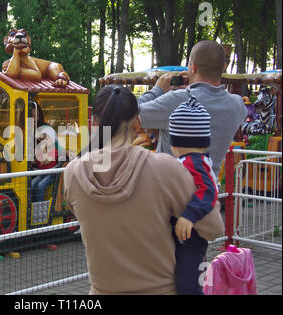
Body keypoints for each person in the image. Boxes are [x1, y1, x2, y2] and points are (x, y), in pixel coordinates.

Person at [64, 85, 224, 295]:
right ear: (138, 123)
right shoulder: (166, 169)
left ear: (94, 124)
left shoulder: (73, 173)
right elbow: (213, 228)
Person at [137, 40, 247, 176]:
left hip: (170, 192)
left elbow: (129, 113)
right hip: (208, 190)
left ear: (193, 67)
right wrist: (192, 89)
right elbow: (208, 100)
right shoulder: (237, 104)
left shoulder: (177, 101)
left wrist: (158, 90)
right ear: (223, 67)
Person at [169, 94, 219, 295]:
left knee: (187, 284)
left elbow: (207, 190)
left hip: (192, 236)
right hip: (188, 236)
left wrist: (189, 215)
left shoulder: (193, 162)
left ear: (176, 143)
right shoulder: (196, 161)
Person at [30, 101, 58, 202]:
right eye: (32, 116)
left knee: (40, 186)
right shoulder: (30, 129)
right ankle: (31, 208)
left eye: (36, 116)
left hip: (52, 171)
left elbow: (48, 159)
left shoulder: (45, 129)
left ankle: (40, 210)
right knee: (32, 184)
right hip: (41, 170)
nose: (34, 119)